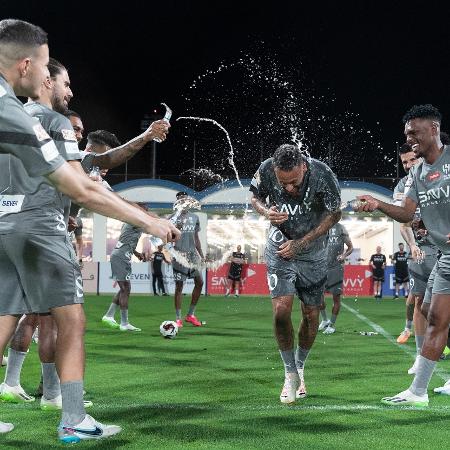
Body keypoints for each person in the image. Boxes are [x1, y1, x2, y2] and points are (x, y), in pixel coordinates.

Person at [0, 19, 179, 440]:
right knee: (71, 321)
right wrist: (150, 220)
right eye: (50, 70)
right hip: (41, 228)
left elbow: (88, 171)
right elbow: (81, 186)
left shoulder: (14, 111)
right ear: (29, 67)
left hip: (4, 226)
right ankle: (73, 420)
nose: (59, 83)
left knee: (6, 318)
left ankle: (26, 388)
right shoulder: (47, 120)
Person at [356, 104, 450, 407]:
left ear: (433, 129)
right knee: (433, 314)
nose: (410, 139)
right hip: (445, 254)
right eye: (407, 135)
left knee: (437, 318)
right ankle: (419, 391)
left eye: (415, 133)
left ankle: (419, 391)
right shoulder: (418, 173)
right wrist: (378, 203)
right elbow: (407, 213)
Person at [250, 144, 341, 404]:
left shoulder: (323, 174)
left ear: (303, 166)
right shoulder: (266, 168)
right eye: (283, 183)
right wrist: (265, 211)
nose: (288, 189)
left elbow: (336, 213)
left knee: (311, 315)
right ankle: (289, 373)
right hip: (279, 248)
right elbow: (253, 197)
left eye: (294, 182)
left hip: (313, 253)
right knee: (281, 311)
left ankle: (300, 366)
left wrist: (302, 242)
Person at [102, 210, 148, 331]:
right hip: (120, 256)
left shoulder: (131, 222)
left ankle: (109, 315)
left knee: (124, 288)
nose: (146, 210)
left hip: (123, 255)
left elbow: (127, 242)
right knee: (125, 288)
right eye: (143, 207)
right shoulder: (135, 220)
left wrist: (137, 253)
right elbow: (151, 228)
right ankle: (124, 323)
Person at [172, 191, 205, 328]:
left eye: (184, 199)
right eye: (180, 199)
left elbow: (196, 238)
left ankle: (190, 315)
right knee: (179, 286)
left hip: (193, 256)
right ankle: (178, 318)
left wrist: (201, 255)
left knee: (200, 282)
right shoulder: (173, 219)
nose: (183, 201)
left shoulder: (195, 217)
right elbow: (168, 239)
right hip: (180, 256)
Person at [319, 222, 353, 335]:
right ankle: (324, 320)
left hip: (336, 268)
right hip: (322, 267)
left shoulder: (341, 228)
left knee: (336, 298)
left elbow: (350, 247)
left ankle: (331, 325)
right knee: (318, 297)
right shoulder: (321, 225)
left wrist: (344, 256)